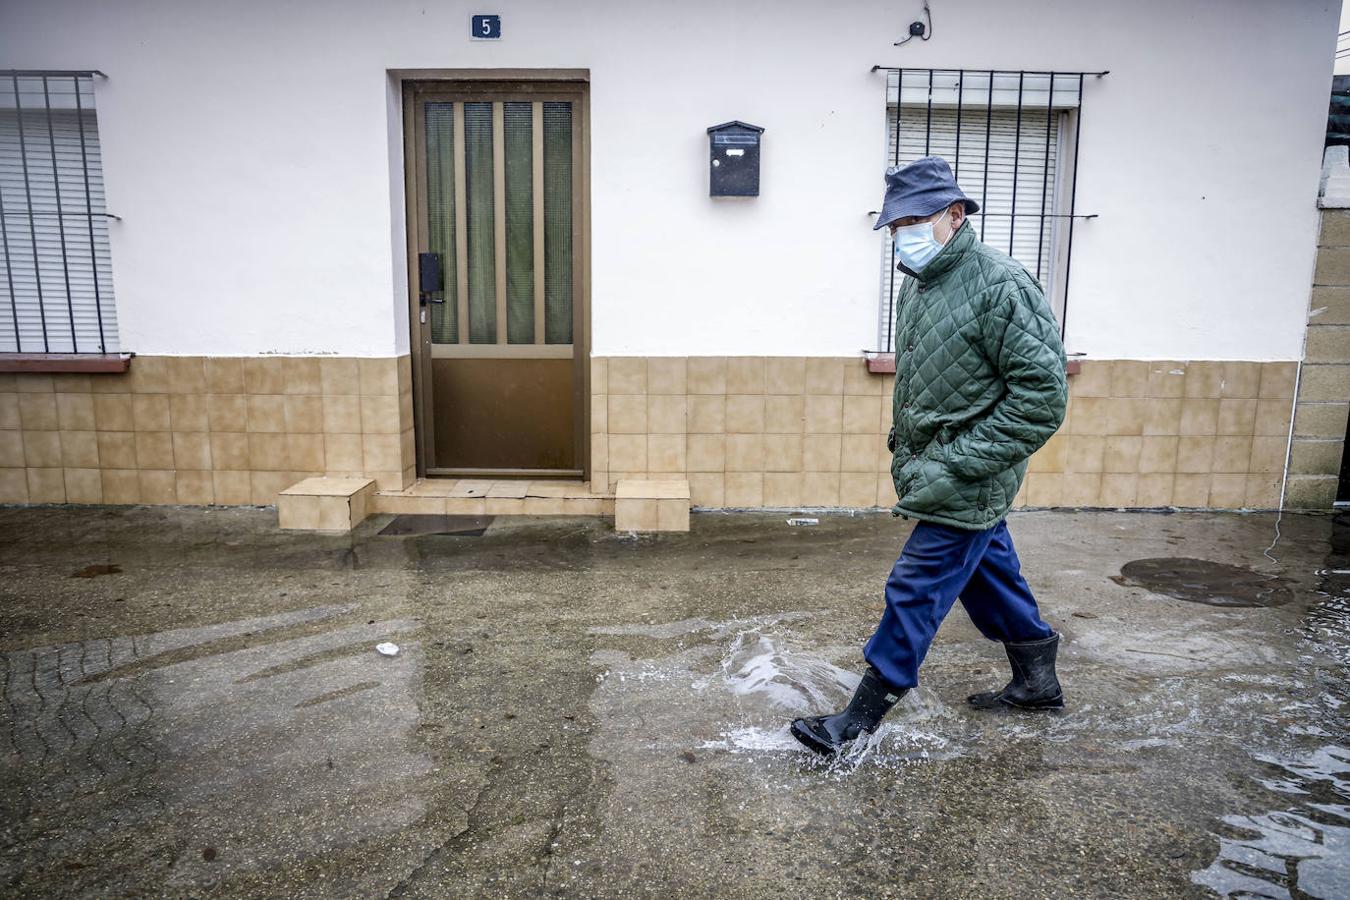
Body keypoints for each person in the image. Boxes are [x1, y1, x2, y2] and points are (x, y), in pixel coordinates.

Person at [790, 156, 1070, 756]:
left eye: (915, 219)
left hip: (967, 472)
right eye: (895, 225)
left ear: (955, 213)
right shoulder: (919, 286)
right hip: (940, 469)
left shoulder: (1002, 285)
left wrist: (957, 463)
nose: (903, 234)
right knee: (990, 572)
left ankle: (858, 722)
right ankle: (1037, 676)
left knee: (915, 587)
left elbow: (1042, 398)